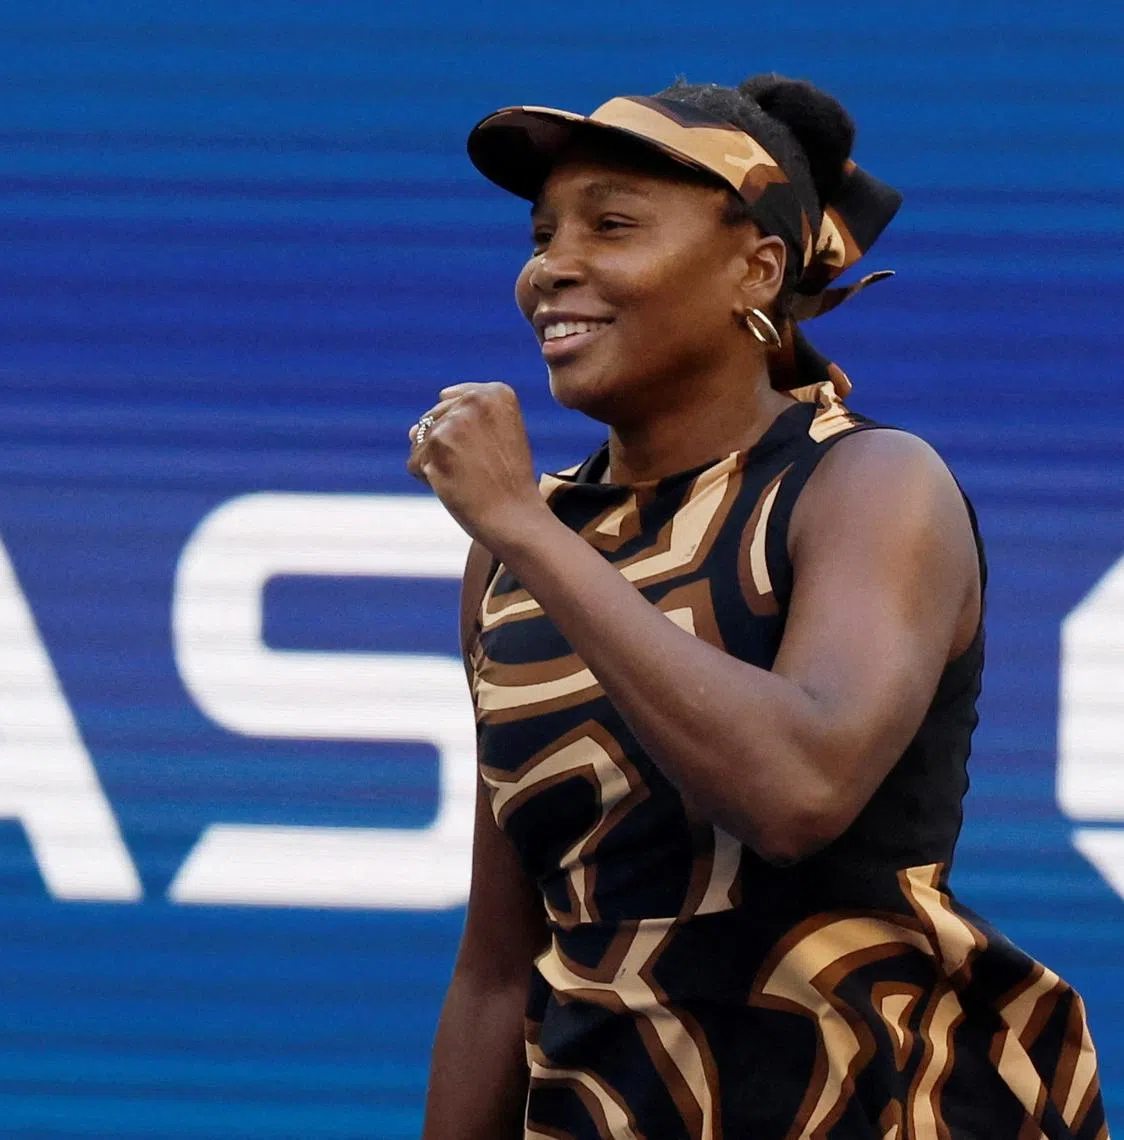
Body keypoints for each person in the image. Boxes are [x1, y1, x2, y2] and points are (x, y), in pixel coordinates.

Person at [409, 75, 1108, 1140]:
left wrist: (528, 530)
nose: (552, 267)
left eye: (612, 224)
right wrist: (531, 535)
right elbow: (500, 972)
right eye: (543, 232)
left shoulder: (870, 485)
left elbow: (797, 789)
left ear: (758, 265)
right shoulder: (522, 555)